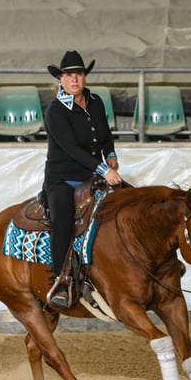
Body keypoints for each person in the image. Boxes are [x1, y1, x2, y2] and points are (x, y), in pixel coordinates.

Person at [43, 50, 123, 309]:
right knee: (63, 221)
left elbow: (105, 134)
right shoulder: (55, 111)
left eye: (78, 74)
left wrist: (110, 154)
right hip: (63, 179)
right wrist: (104, 170)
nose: (74, 79)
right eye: (69, 75)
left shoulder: (96, 102)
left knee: (130, 201)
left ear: (84, 76)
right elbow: (72, 150)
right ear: (61, 79)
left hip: (93, 175)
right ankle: (60, 281)